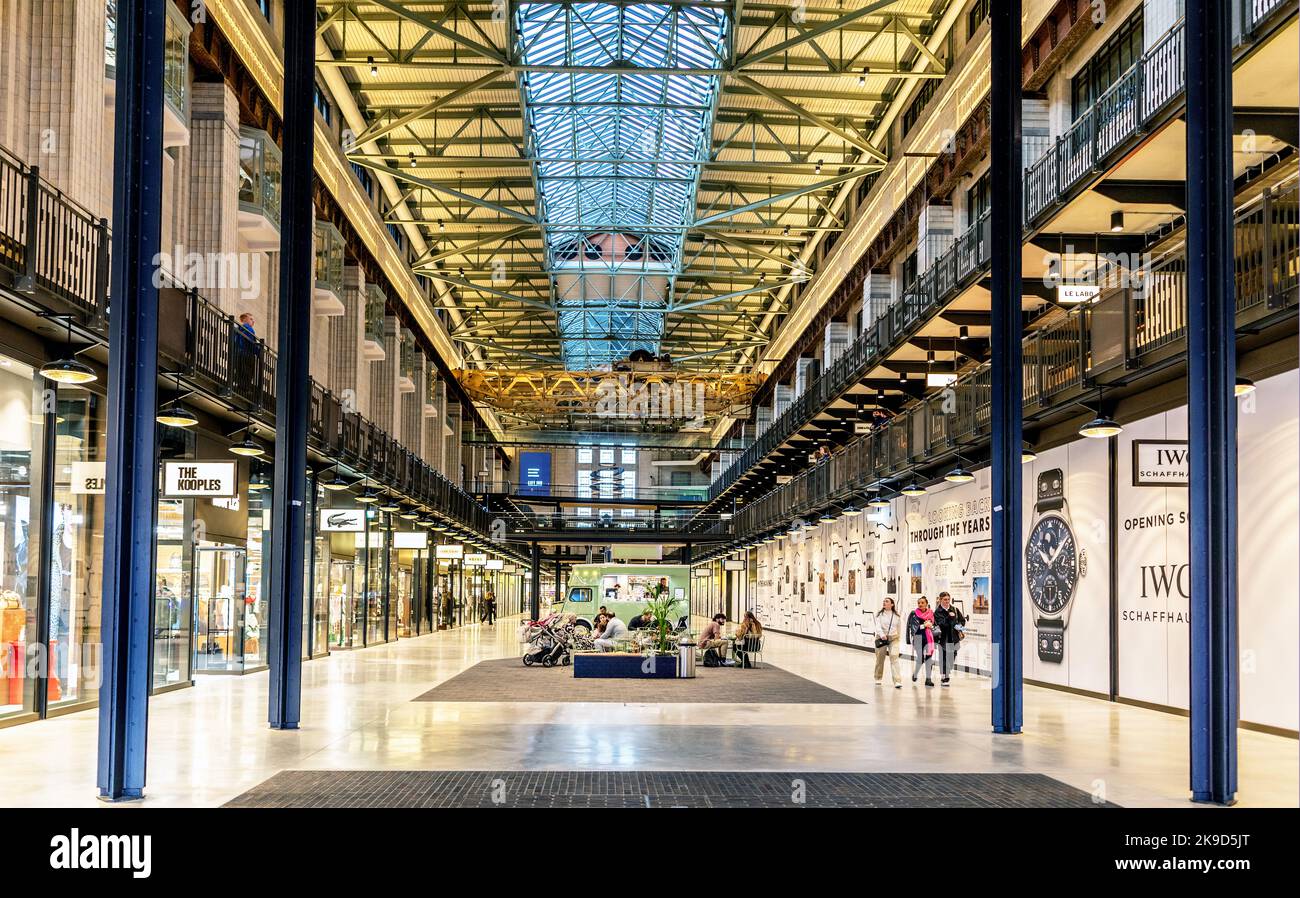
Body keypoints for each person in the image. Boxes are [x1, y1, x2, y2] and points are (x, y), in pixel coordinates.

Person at [933, 591, 966, 687]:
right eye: (945, 599)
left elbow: (962, 620)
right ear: (940, 600)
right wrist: (948, 617)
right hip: (943, 638)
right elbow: (941, 624)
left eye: (948, 599)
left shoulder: (955, 609)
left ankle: (947, 671)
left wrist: (960, 626)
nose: (947, 601)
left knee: (952, 656)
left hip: (954, 637)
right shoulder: (937, 612)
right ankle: (945, 676)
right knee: (943, 656)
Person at [907, 596, 937, 686]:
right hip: (918, 639)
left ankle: (928, 679)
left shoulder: (931, 613)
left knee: (928, 659)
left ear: (926, 604)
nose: (920, 604)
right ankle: (916, 673)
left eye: (922, 603)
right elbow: (913, 628)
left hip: (929, 638)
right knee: (920, 658)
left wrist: (931, 625)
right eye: (919, 603)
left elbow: (934, 625)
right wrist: (924, 625)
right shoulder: (914, 613)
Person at [873, 597, 903, 688]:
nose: (884, 603)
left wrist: (898, 637)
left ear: (892, 604)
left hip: (893, 638)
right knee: (880, 658)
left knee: (894, 658)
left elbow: (899, 628)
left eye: (886, 601)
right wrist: (882, 634)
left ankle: (897, 681)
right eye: (884, 601)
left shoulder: (896, 616)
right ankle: (878, 677)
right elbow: (877, 626)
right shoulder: (879, 615)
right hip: (881, 638)